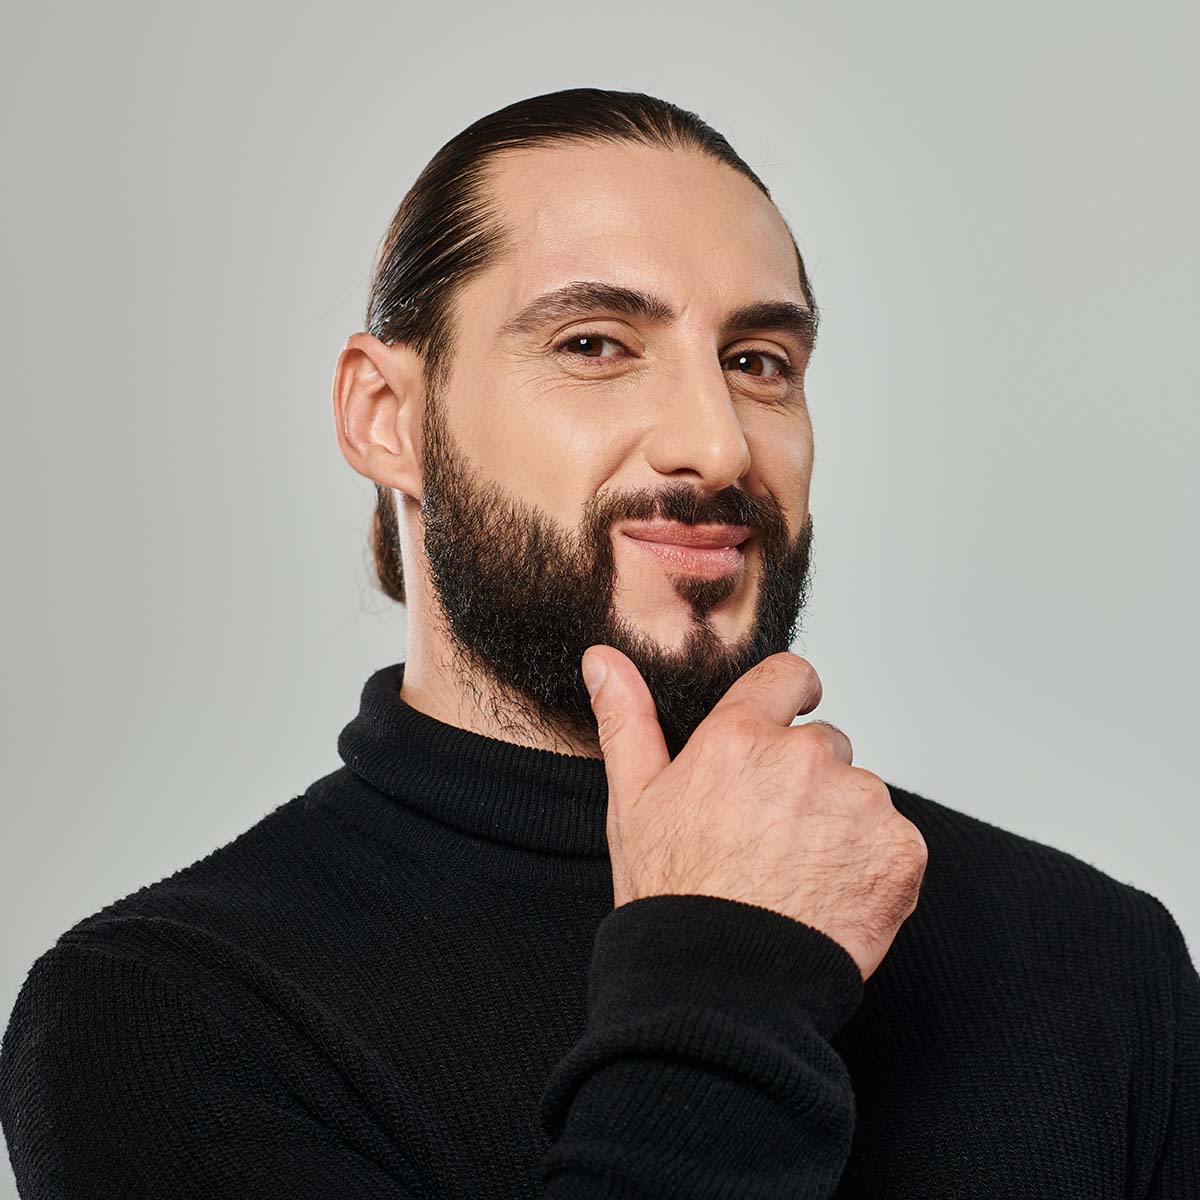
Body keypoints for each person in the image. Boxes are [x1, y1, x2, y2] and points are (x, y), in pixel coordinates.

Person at [1, 87, 1196, 1199]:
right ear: (387, 417)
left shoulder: (1096, 957)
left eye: (758, 364)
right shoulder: (162, 1011)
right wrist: (729, 981)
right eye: (594, 344)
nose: (717, 445)